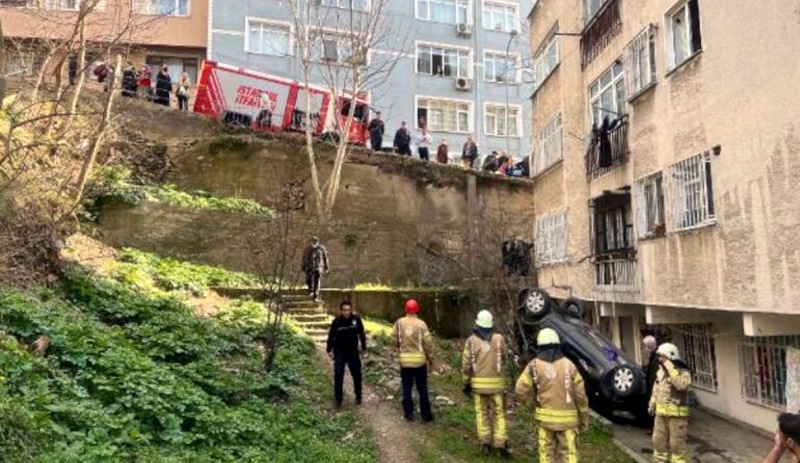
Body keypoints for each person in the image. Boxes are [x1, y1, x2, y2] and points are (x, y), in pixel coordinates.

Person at [516, 328, 589, 463]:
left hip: (545, 421)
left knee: (546, 454)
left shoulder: (534, 365)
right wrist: (583, 418)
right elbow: (581, 395)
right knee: (569, 454)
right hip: (568, 421)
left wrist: (529, 405)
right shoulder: (569, 365)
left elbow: (520, 389)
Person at [461, 310, 511, 458]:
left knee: (481, 413)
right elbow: (505, 356)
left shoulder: (471, 341)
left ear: (477, 323)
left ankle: (485, 444)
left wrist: (465, 382)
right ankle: (500, 444)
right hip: (496, 386)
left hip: (478, 387)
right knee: (499, 414)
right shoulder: (499, 339)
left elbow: (466, 364)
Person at [392, 299, 435, 422]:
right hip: (419, 362)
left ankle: (408, 413)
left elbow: (393, 340)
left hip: (405, 361)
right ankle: (426, 415)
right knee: (422, 388)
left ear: (406, 309)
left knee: (406, 387)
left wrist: (399, 348)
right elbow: (428, 344)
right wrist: (431, 359)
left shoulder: (399, 323)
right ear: (417, 310)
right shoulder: (421, 324)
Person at [649, 342, 692, 463]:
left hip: (677, 416)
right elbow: (656, 388)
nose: (659, 359)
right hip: (661, 414)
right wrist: (652, 404)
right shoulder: (660, 371)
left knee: (676, 444)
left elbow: (681, 385)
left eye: (662, 357)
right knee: (658, 441)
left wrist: (669, 366)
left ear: (670, 356)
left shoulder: (682, 371)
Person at [326, 300, 366, 409]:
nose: (347, 312)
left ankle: (358, 395)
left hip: (353, 351)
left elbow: (361, 334)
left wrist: (363, 347)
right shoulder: (337, 321)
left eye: (349, 310)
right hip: (340, 352)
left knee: (357, 374)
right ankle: (338, 399)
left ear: (351, 310)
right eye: (344, 310)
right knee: (338, 375)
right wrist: (329, 349)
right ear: (341, 311)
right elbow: (331, 335)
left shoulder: (356, 320)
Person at [301, 236, 330, 302]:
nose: (314, 243)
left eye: (316, 241)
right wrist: (303, 266)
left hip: (318, 267)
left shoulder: (321, 249)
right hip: (309, 267)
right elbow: (304, 257)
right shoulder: (308, 249)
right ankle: (311, 290)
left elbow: (325, 258)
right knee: (308, 279)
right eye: (313, 241)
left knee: (317, 281)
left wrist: (326, 267)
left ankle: (315, 295)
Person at [642, 335, 659, 400]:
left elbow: (653, 378)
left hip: (655, 394)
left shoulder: (656, 359)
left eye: (644, 346)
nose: (643, 349)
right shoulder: (651, 358)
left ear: (649, 347)